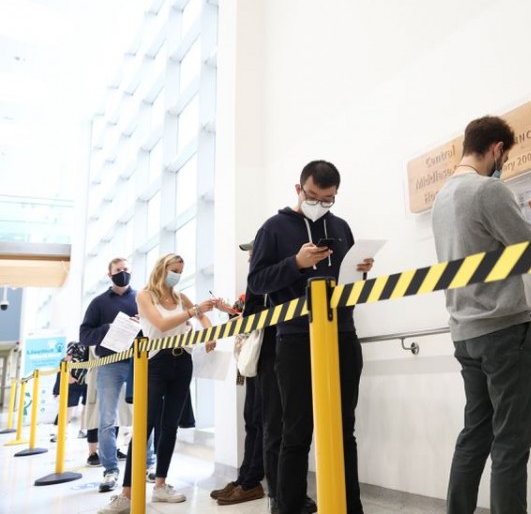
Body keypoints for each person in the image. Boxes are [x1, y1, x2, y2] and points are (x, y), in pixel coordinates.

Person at [431, 115, 531, 514]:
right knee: (512, 440)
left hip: (464, 333)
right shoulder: (488, 190)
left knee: (476, 434)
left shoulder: (441, 199)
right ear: (497, 149)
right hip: (502, 330)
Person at [248, 160, 373, 514]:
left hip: (343, 335)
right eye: (313, 196)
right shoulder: (273, 228)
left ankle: (350, 507)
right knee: (296, 431)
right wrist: (296, 264)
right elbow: (257, 283)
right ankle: (288, 508)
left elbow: (348, 287)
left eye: (328, 198)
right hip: (296, 339)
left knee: (344, 431)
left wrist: (358, 272)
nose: (320, 203)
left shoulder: (341, 226)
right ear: (299, 189)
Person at [99, 253, 231, 514]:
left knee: (170, 425)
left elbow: (202, 319)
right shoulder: (145, 296)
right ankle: (126, 493)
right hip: (155, 363)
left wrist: (207, 332)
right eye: (174, 269)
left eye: (181, 271)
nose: (177, 275)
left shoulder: (181, 298)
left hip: (182, 362)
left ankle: (160, 485)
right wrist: (194, 312)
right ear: (162, 269)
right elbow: (160, 324)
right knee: (144, 425)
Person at [209, 240, 270, 508]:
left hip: (267, 355)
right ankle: (245, 477)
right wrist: (235, 315)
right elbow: (247, 312)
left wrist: (241, 317)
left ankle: (252, 481)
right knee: (251, 419)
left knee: (259, 419)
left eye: (253, 253)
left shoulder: (269, 278)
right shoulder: (254, 282)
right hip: (251, 357)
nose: (249, 258)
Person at [79, 258, 142, 493]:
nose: (123, 273)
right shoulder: (98, 303)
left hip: (139, 362)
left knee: (146, 414)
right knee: (107, 418)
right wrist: (108, 328)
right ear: (109, 274)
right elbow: (85, 336)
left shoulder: (141, 299)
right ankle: (110, 469)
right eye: (118, 270)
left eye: (126, 270)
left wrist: (141, 323)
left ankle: (146, 465)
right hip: (110, 364)